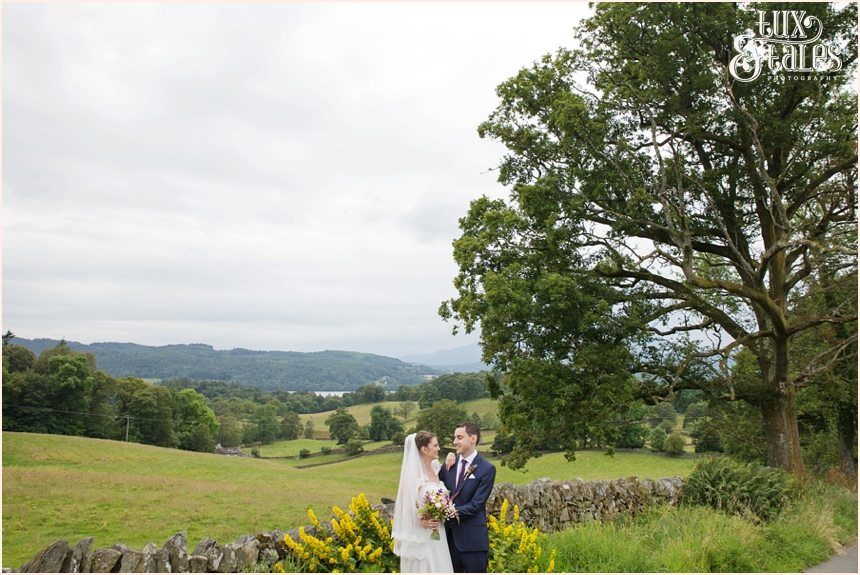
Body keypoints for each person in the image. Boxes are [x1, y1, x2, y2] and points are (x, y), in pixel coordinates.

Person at [392, 431, 455, 573]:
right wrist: (423, 522)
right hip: (422, 536)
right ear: (424, 449)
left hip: (439, 534)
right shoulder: (412, 477)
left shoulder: (436, 467)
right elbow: (405, 508)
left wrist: (452, 455)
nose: (438, 448)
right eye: (435, 445)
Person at [439, 422, 496, 573]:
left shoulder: (487, 469)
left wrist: (449, 513)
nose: (454, 442)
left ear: (472, 439)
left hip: (473, 543)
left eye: (459, 437)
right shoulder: (448, 465)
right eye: (454, 438)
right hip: (447, 542)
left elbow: (476, 504)